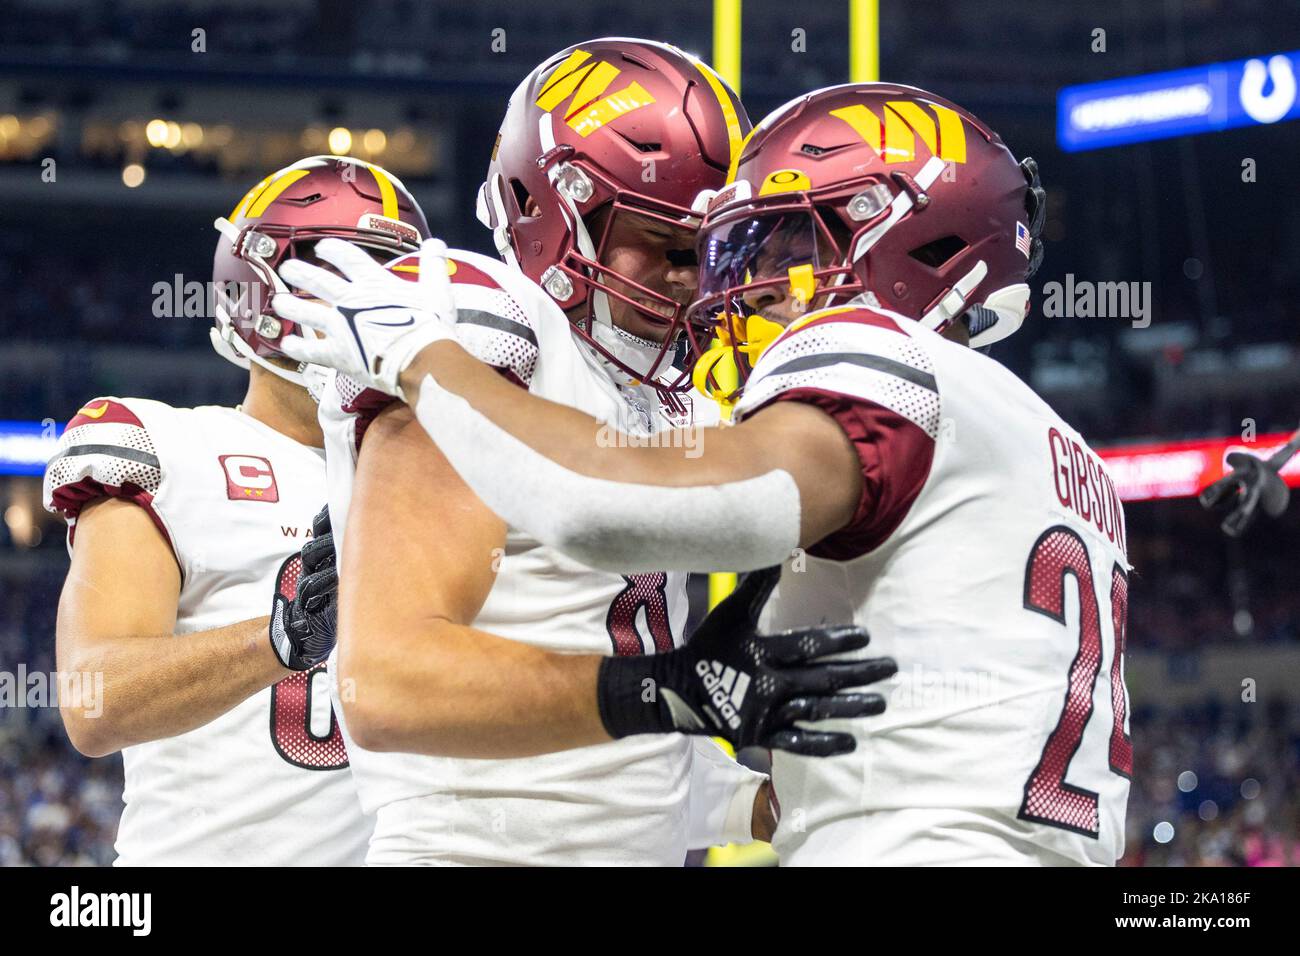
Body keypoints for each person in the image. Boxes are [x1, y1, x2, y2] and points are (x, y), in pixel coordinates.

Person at [278, 83, 1132, 866]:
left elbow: (594, 502)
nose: (740, 286)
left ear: (909, 232)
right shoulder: (1063, 452)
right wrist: (750, 783)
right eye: (737, 249)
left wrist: (422, 357)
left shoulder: (873, 357)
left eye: (790, 240)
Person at [274, 39, 895, 865]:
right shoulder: (482, 329)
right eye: (665, 245)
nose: (690, 281)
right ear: (551, 210)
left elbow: (616, 772)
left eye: (708, 252)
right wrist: (666, 692)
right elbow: (392, 684)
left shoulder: (675, 396)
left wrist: (777, 802)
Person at [42, 155, 429, 864]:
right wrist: (278, 642)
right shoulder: (170, 446)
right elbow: (93, 704)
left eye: (386, 284)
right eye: (331, 277)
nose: (359, 309)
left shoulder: (441, 480)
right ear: (257, 288)